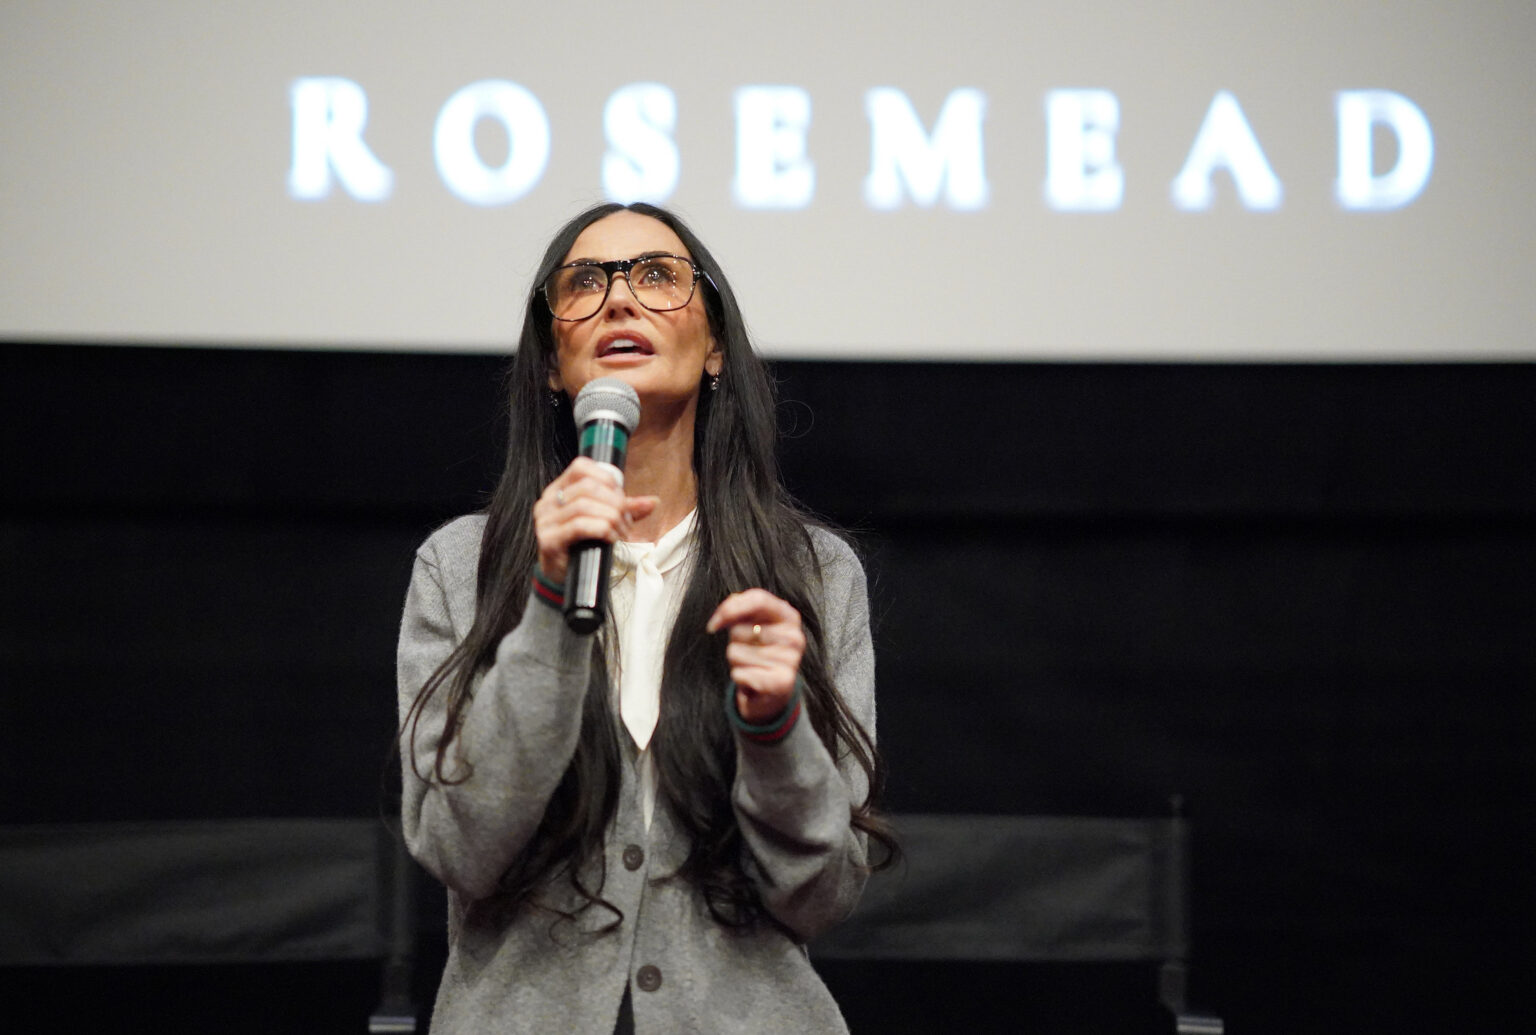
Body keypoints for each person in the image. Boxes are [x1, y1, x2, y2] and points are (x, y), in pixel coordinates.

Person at [397, 202, 892, 1033]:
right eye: (585, 283)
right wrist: (551, 607)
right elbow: (458, 846)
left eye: (658, 276)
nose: (620, 300)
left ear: (718, 350)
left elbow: (823, 893)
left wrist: (774, 730)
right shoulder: (460, 568)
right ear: (553, 365)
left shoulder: (812, 574)